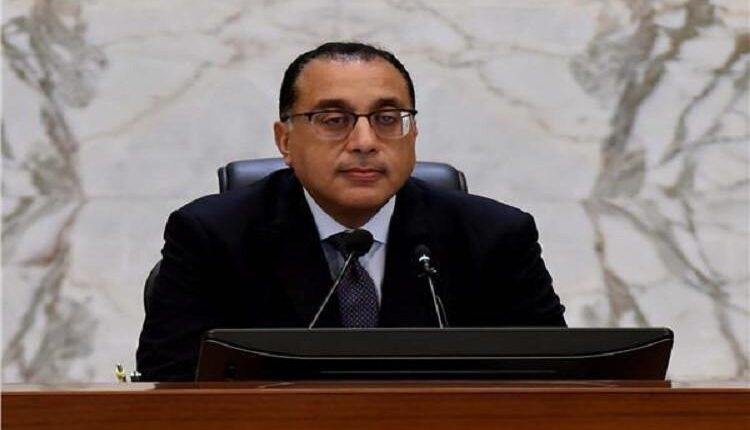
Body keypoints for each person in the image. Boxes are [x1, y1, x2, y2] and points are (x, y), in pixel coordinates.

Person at [136, 42, 566, 381]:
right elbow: (169, 385)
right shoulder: (210, 236)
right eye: (334, 119)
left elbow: (557, 379)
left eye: (387, 118)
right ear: (285, 140)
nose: (364, 141)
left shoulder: (497, 236)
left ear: (413, 134)